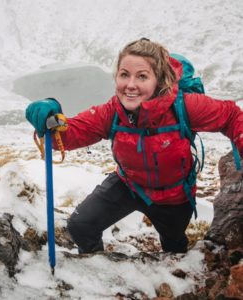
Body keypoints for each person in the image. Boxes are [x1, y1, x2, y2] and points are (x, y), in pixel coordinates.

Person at [25, 38, 243, 254]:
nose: (130, 85)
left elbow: (231, 116)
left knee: (174, 246)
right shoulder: (112, 112)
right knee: (81, 225)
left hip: (174, 196)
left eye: (142, 76)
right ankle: (95, 268)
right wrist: (50, 121)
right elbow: (69, 136)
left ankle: (176, 270)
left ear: (159, 79)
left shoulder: (184, 105)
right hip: (128, 185)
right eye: (124, 75)